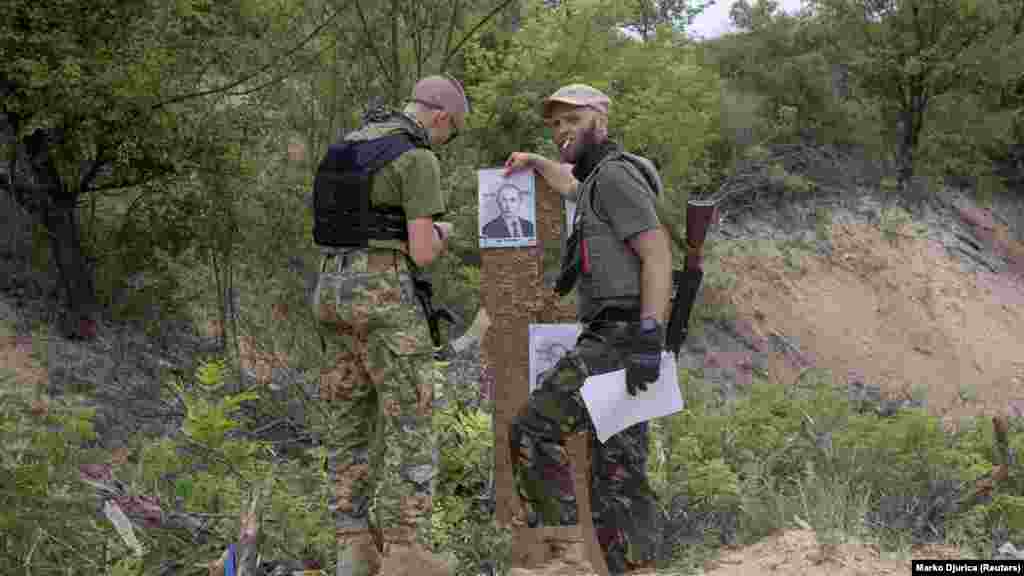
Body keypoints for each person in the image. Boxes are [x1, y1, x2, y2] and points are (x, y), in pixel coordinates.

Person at [503, 84, 672, 576]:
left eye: (570, 120)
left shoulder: (616, 178)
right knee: (617, 472)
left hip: (621, 336)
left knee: (534, 427)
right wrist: (536, 160)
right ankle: (637, 569)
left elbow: (657, 254)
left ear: (599, 118)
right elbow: (572, 185)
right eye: (554, 124)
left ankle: (567, 558)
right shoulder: (599, 178)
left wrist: (648, 335)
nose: (560, 131)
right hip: (620, 335)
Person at [312, 75, 468, 576]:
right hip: (381, 295)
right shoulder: (417, 157)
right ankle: (404, 550)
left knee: (349, 422)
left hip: (330, 291)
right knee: (412, 418)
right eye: (453, 131)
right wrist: (443, 232)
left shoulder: (342, 148)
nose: (446, 139)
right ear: (440, 116)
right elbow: (422, 251)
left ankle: (353, 546)